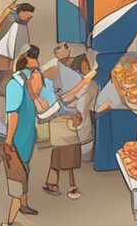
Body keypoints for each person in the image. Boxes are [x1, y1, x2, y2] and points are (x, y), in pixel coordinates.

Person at [41, 47, 97, 200]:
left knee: (64, 153)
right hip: (63, 120)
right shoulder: (49, 82)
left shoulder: (56, 74)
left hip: (65, 118)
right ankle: (67, 185)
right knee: (66, 153)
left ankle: (60, 183)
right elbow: (65, 98)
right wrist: (87, 79)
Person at [1, 48, 42, 226]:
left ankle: (24, 206)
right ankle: (9, 223)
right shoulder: (16, 85)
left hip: (25, 138)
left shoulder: (24, 82)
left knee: (25, 171)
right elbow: (13, 117)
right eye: (34, 59)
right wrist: (8, 142)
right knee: (18, 180)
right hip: (18, 141)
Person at [0, 3, 35, 92]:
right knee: (6, 76)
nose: (30, 18)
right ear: (21, 12)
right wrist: (14, 60)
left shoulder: (21, 22)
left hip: (10, 56)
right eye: (28, 15)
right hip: (6, 56)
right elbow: (11, 43)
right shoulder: (13, 22)